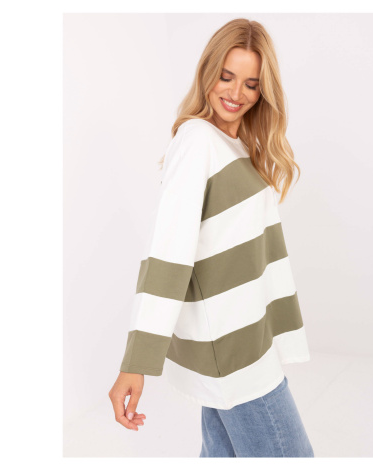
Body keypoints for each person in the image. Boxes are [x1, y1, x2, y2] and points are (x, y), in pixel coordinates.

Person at [108, 18, 315, 458]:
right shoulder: (197, 140)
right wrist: (136, 361)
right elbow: (168, 252)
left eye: (251, 84)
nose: (237, 93)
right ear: (207, 72)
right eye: (226, 76)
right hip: (234, 354)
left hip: (244, 342)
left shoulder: (236, 147)